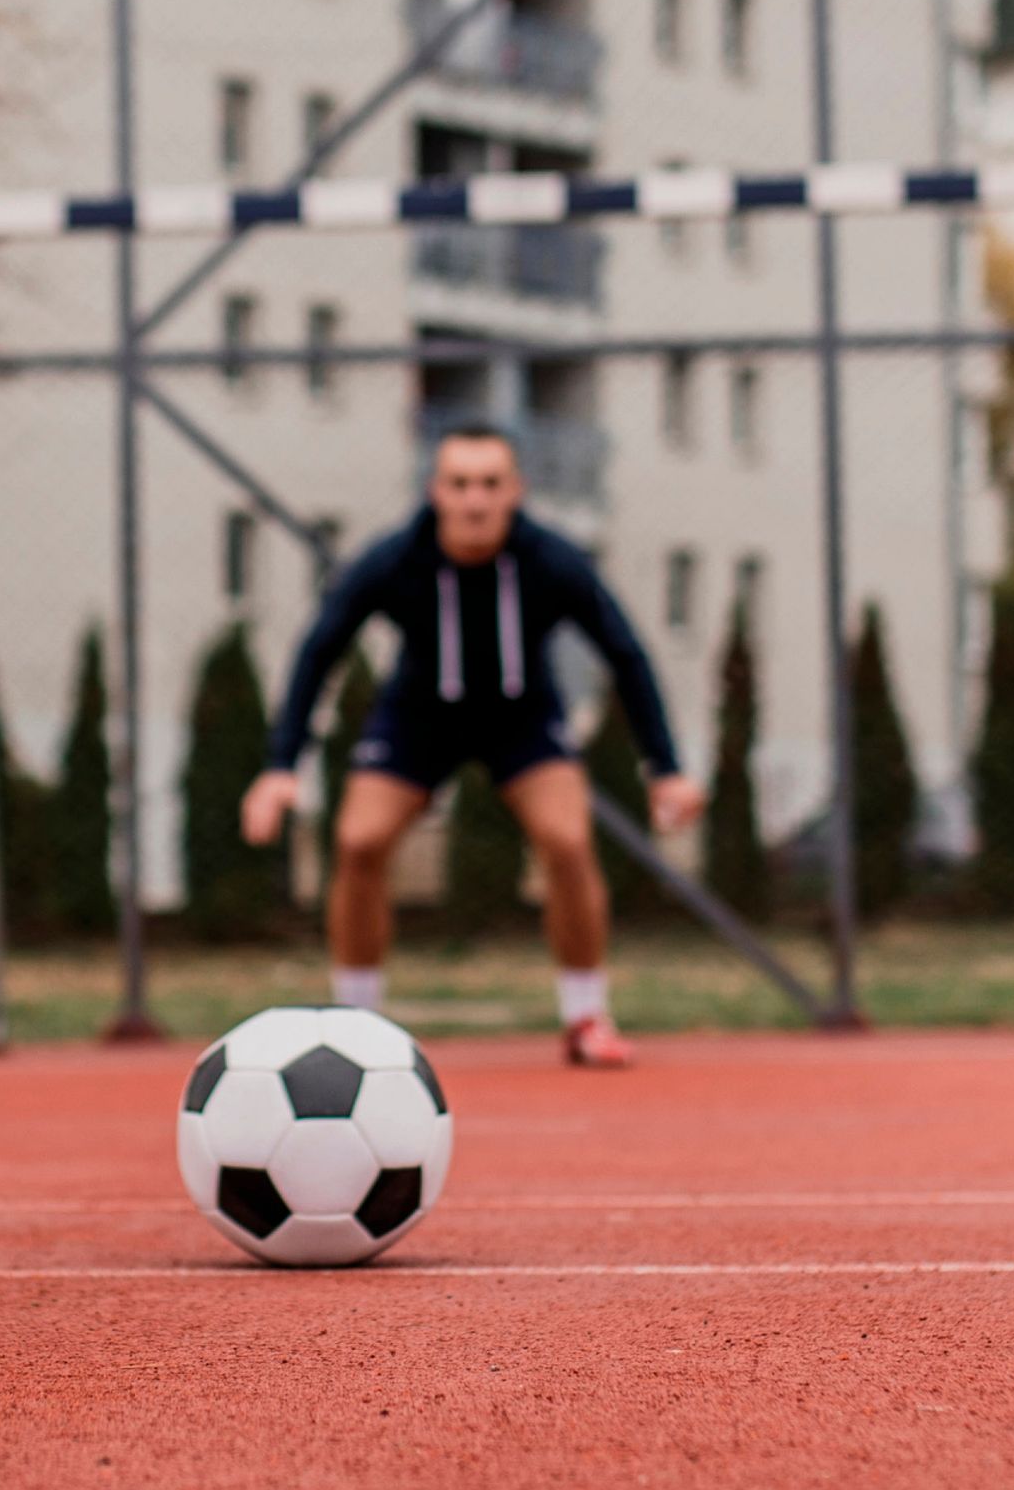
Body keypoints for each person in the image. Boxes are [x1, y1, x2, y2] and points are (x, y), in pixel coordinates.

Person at [240, 426, 705, 1069]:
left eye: (490, 484)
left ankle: (586, 1017)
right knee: (358, 842)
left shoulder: (552, 561)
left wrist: (667, 770)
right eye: (460, 485)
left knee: (568, 841)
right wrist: (279, 767)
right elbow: (321, 648)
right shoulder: (394, 559)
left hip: (523, 718)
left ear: (516, 491)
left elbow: (624, 653)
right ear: (436, 492)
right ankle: (355, 1025)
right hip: (417, 717)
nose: (475, 501)